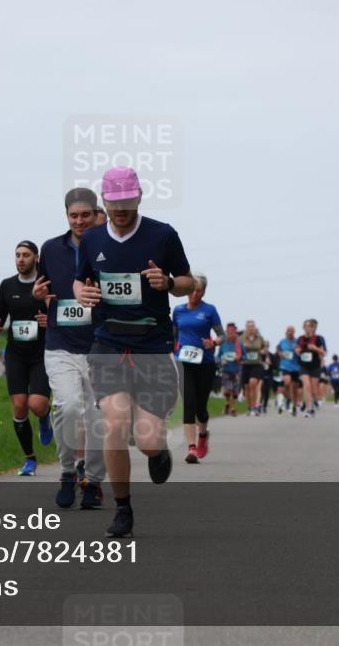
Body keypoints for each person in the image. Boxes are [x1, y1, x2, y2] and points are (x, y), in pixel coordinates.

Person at [74, 166, 194, 538]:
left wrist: (168, 282)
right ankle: (123, 509)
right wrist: (81, 292)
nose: (121, 209)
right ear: (104, 202)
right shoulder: (92, 240)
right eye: (114, 203)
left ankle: (158, 452)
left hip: (152, 346)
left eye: (127, 201)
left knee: (147, 440)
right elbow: (80, 280)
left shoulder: (163, 235)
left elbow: (188, 281)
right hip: (109, 344)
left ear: (139, 197)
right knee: (114, 423)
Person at [33, 187, 107, 509]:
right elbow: (42, 289)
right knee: (68, 407)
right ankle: (66, 471)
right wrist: (37, 295)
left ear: (96, 214)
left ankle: (93, 481)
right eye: (73, 216)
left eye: (85, 215)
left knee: (97, 416)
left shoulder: (109, 246)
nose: (79, 221)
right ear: (66, 215)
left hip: (100, 345)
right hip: (60, 344)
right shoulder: (50, 249)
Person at [0, 241, 52, 476]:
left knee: (36, 404)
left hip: (41, 353)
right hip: (16, 353)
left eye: (26, 255)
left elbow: (58, 313)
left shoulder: (45, 284)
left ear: (36, 258)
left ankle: (45, 417)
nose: (21, 259)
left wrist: (49, 321)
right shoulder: (7, 285)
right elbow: (0, 315)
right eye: (17, 255)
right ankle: (29, 459)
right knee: (19, 406)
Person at [172, 272, 225, 464]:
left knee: (201, 408)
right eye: (193, 290)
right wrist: (172, 350)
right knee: (189, 403)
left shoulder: (209, 310)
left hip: (205, 363)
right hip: (184, 362)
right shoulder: (178, 310)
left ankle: (203, 435)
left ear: (204, 292)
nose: (195, 294)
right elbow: (173, 335)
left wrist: (214, 342)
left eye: (199, 291)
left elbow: (222, 335)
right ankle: (191, 448)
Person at [295, 319, 327, 417]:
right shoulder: (300, 338)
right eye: (306, 326)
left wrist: (315, 348)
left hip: (315, 366)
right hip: (303, 366)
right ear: (303, 327)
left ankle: (312, 404)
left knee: (313, 390)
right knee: (307, 385)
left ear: (313, 328)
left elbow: (324, 352)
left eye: (310, 326)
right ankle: (309, 409)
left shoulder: (318, 339)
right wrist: (297, 350)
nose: (308, 328)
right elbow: (296, 349)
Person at [240, 320, 266, 416]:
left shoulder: (260, 338)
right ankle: (249, 407)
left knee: (253, 384)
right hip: (245, 364)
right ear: (246, 328)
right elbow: (237, 349)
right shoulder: (241, 338)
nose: (251, 328)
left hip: (256, 364)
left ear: (255, 328)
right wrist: (242, 348)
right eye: (249, 326)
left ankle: (255, 406)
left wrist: (263, 351)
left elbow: (264, 348)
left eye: (252, 326)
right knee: (247, 387)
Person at [218, 323, 243, 416]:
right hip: (226, 370)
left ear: (235, 332)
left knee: (235, 391)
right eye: (229, 332)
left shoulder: (239, 344)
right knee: (228, 389)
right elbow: (218, 356)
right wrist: (221, 360)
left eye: (232, 332)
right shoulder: (223, 345)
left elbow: (245, 356)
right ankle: (227, 403)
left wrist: (239, 358)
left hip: (236, 370)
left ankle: (233, 408)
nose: (230, 334)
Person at [276, 326, 301, 416]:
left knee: (294, 388)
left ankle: (293, 406)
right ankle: (287, 400)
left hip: (295, 367)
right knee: (287, 382)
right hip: (285, 366)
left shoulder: (297, 341)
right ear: (286, 332)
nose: (290, 333)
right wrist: (280, 353)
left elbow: (300, 352)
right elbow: (278, 348)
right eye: (288, 331)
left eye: (291, 331)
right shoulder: (282, 341)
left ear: (294, 332)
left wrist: (297, 350)